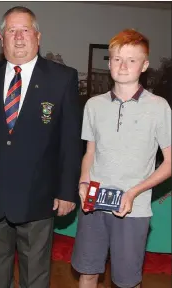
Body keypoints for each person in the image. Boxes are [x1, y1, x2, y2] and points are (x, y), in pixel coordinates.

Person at [0, 6, 82, 288]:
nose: (18, 37)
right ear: (2, 38)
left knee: (36, 275)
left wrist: (66, 190)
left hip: (38, 196)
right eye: (11, 31)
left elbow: (70, 139)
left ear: (38, 37)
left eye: (25, 30)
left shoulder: (62, 78)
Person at [71, 29, 171, 288]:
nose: (123, 66)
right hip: (94, 204)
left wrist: (134, 192)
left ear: (144, 65)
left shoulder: (159, 107)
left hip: (133, 209)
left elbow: (169, 163)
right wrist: (83, 181)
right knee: (88, 272)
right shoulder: (93, 105)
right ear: (109, 62)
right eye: (117, 59)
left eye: (131, 60)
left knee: (127, 281)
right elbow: (90, 152)